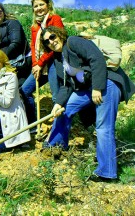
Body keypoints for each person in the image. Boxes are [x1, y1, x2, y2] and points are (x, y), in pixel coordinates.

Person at [40, 26, 135, 182]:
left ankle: (106, 172)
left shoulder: (73, 42)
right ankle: (55, 145)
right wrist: (58, 104)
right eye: (47, 41)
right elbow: (66, 85)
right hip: (88, 88)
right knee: (65, 109)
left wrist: (98, 87)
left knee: (103, 126)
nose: (51, 42)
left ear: (59, 34)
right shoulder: (58, 59)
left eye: (52, 37)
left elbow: (96, 58)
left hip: (107, 82)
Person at [19, 0, 64, 126]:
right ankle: (33, 124)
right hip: (40, 65)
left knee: (56, 97)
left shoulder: (55, 19)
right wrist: (35, 64)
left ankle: (59, 131)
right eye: (35, 6)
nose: (39, 8)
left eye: (41, 5)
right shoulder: (35, 26)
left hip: (54, 62)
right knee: (24, 91)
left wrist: (40, 63)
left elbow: (56, 45)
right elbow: (33, 46)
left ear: (48, 5)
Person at [0, 2, 31, 86]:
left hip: (20, 61)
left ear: (3, 12)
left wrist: (1, 58)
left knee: (20, 89)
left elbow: (16, 42)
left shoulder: (12, 23)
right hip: (7, 63)